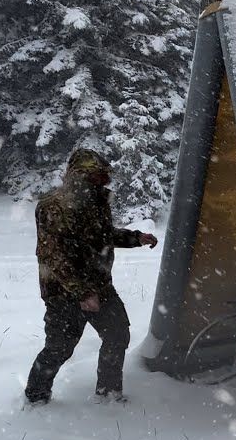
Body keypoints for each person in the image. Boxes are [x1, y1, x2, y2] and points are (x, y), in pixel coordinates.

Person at [24, 148, 158, 404]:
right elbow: (54, 257)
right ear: (76, 176)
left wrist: (135, 238)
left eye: (101, 176)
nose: (99, 181)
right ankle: (36, 398)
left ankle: (108, 395)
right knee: (59, 348)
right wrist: (82, 293)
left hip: (100, 286)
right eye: (93, 176)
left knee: (117, 334)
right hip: (64, 293)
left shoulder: (96, 202)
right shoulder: (53, 206)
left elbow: (102, 235)